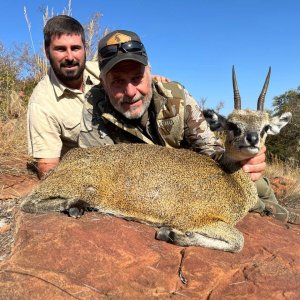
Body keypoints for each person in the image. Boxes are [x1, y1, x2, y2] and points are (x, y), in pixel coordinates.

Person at [78, 29, 300, 225]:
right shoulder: (94, 109)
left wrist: (242, 158)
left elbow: (209, 149)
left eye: (137, 78)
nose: (130, 91)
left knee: (254, 181)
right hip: (152, 190)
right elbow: (95, 169)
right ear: (103, 82)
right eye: (117, 81)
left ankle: (281, 219)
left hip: (193, 180)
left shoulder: (176, 97)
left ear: (149, 73)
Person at [27, 16, 169, 179]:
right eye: (60, 49)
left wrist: (153, 82)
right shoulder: (41, 104)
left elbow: (135, 78)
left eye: (75, 48)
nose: (70, 57)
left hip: (140, 155)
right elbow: (47, 168)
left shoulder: (103, 70)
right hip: (99, 173)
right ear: (46, 51)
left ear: (85, 48)